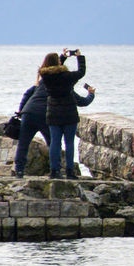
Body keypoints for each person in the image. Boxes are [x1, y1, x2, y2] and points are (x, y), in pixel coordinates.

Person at [15, 73, 94, 179]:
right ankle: (56, 170)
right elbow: (82, 101)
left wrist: (21, 110)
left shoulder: (43, 82)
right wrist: (91, 94)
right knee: (54, 143)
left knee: (23, 143)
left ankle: (19, 170)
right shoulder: (65, 87)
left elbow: (27, 93)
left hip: (28, 113)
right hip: (45, 114)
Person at [40, 50, 86, 179]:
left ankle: (54, 171)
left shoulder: (45, 76)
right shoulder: (67, 76)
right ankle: (70, 171)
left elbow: (53, 68)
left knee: (55, 142)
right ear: (58, 63)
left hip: (53, 113)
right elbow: (81, 72)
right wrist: (79, 57)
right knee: (69, 142)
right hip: (69, 112)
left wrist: (62, 57)